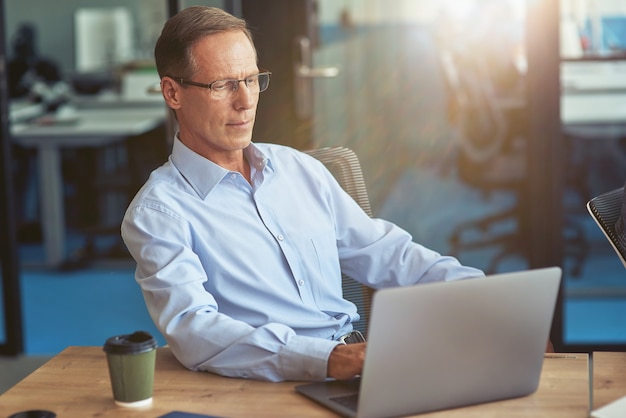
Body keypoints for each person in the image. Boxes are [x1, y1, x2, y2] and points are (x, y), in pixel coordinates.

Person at [121, 6, 485, 383]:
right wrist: (330, 359)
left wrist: (486, 300)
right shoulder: (159, 213)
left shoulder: (298, 170)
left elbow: (388, 254)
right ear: (172, 93)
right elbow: (194, 331)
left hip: (363, 365)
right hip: (273, 384)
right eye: (222, 85)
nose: (245, 101)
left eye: (251, 80)